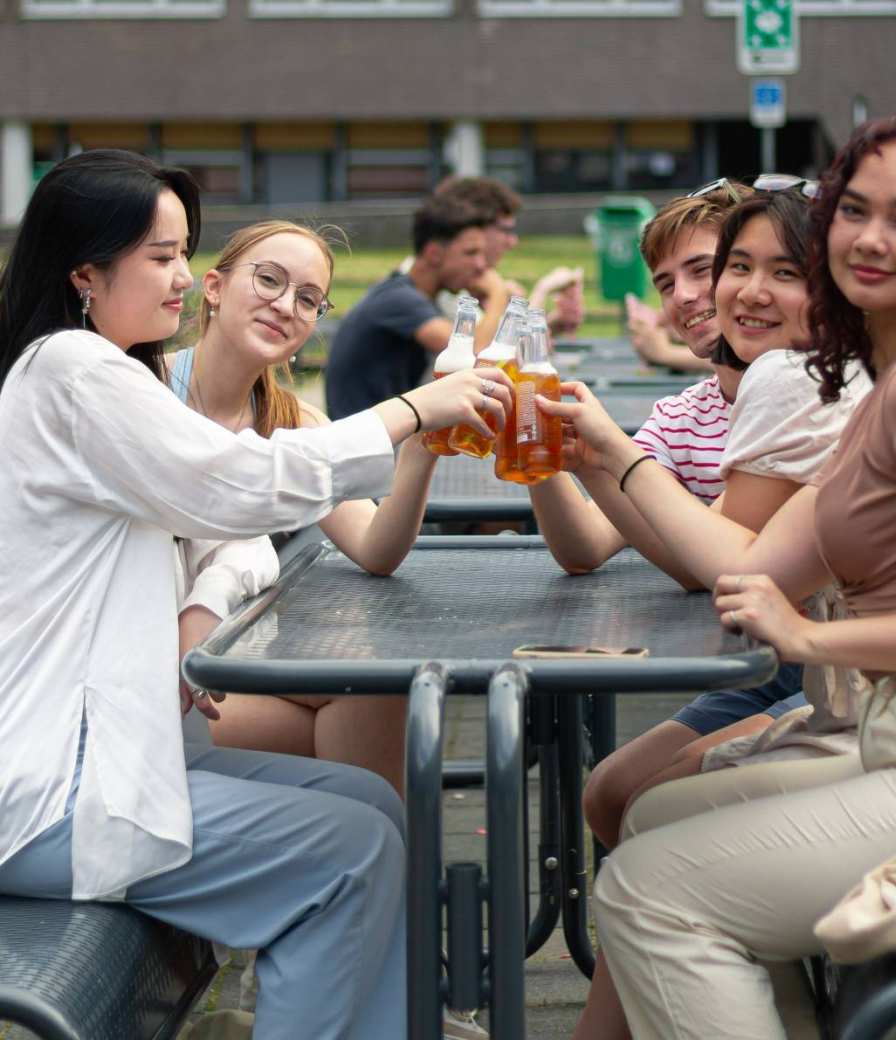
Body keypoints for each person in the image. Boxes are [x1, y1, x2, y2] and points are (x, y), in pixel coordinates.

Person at [543, 114, 896, 1040]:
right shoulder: (883, 380)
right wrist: (595, 456)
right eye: (853, 210)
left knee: (653, 896)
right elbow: (749, 569)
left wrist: (819, 638)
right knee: (649, 822)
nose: (868, 236)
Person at [0, 148, 512, 1040]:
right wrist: (416, 413)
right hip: (56, 784)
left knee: (373, 807)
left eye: (180, 250)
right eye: (159, 256)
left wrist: (198, 615)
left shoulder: (99, 372)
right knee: (346, 856)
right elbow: (238, 486)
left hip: (114, 743)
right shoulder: (77, 371)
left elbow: (235, 524)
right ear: (85, 272)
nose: (177, 273)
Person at [171, 219, 447, 798]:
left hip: (226, 660)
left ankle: (373, 863)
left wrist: (421, 447)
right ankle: (382, 864)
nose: (285, 306)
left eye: (308, 299)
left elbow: (375, 549)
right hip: (144, 675)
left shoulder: (293, 419)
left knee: (370, 687)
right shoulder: (147, 389)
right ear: (214, 288)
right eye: (269, 280)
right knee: (360, 730)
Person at [325, 193, 509, 420]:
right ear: (434, 253)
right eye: (470, 253)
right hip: (364, 444)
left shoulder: (411, 293)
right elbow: (474, 361)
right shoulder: (400, 300)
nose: (482, 266)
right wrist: (498, 295)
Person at [430, 175, 584, 336]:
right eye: (506, 231)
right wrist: (541, 292)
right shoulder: (448, 286)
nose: (512, 242)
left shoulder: (471, 284)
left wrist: (552, 324)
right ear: (476, 228)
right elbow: (493, 356)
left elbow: (499, 340)